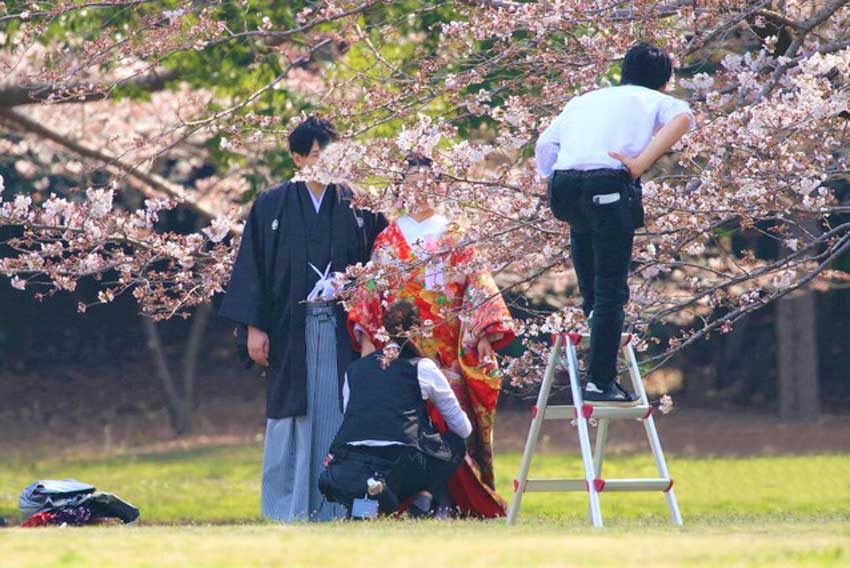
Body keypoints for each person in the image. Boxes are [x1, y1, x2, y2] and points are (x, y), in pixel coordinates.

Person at [219, 116, 387, 522]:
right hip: (289, 328)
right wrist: (255, 328)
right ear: (296, 158)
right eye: (314, 154)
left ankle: (342, 504)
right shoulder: (271, 204)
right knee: (292, 415)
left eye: (330, 153)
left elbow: (381, 262)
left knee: (342, 409)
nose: (324, 161)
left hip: (344, 328)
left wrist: (370, 323)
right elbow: (252, 269)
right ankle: (287, 507)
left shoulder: (359, 203)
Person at [346, 154, 515, 518]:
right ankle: (414, 495)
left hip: (449, 345)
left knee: (450, 418)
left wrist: (484, 332)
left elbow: (477, 285)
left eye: (427, 182)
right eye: (411, 183)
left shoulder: (455, 234)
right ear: (401, 189)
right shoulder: (388, 238)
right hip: (401, 348)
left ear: (440, 187)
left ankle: (449, 497)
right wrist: (366, 340)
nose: (419, 190)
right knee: (408, 417)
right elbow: (371, 297)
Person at [535, 42, 695, 403]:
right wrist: (640, 163)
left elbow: (546, 145)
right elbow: (683, 118)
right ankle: (600, 382)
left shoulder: (584, 100)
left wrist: (553, 178)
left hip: (564, 186)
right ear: (665, 81)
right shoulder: (652, 98)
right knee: (611, 290)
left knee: (593, 285)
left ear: (623, 72)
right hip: (607, 183)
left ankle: (599, 345)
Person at [319, 300, 470, 518]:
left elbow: (351, 413)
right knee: (456, 444)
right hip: (402, 461)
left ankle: (372, 500)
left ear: (384, 330)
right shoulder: (422, 367)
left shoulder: (355, 369)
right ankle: (423, 499)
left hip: (352, 459)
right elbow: (462, 428)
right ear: (419, 329)